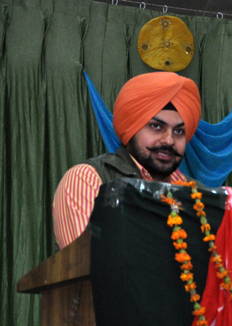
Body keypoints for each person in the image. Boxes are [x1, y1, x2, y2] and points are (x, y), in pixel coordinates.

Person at [52, 72, 201, 248]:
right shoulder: (88, 179)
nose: (169, 140)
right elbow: (87, 260)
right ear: (131, 128)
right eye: (156, 126)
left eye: (179, 131)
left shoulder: (195, 192)